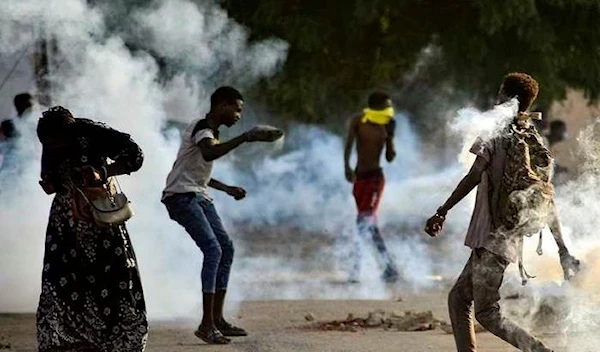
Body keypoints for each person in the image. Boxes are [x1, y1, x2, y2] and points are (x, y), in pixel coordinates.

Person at [424, 73, 572, 352]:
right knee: (458, 298)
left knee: (486, 311)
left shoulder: (494, 131)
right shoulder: (532, 138)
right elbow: (547, 199)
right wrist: (562, 248)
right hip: (503, 236)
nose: (496, 98)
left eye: (500, 93)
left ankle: (540, 351)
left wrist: (441, 211)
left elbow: (473, 176)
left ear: (507, 98)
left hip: (491, 237)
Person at [161, 86, 282, 345]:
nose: (238, 115)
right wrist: (245, 137)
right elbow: (209, 153)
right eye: (236, 109)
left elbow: (198, 170)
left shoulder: (210, 132)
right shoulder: (202, 128)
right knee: (213, 250)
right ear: (222, 106)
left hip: (197, 195)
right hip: (181, 197)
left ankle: (217, 319)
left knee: (225, 248)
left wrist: (226, 188)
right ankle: (206, 324)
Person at [36, 106, 148, 351]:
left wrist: (104, 172)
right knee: (62, 279)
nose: (55, 147)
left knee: (111, 278)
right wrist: (50, 182)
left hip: (100, 220)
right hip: (65, 225)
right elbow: (49, 173)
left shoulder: (93, 132)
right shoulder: (49, 139)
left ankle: (113, 339)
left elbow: (135, 156)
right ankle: (70, 340)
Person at [344, 91, 400, 283]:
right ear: (375, 106)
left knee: (363, 223)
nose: (389, 110)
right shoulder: (358, 121)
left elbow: (390, 158)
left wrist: (390, 137)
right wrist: (347, 167)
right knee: (368, 225)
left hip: (376, 180)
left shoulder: (387, 125)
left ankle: (356, 269)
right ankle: (389, 268)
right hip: (360, 179)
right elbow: (349, 145)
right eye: (386, 106)